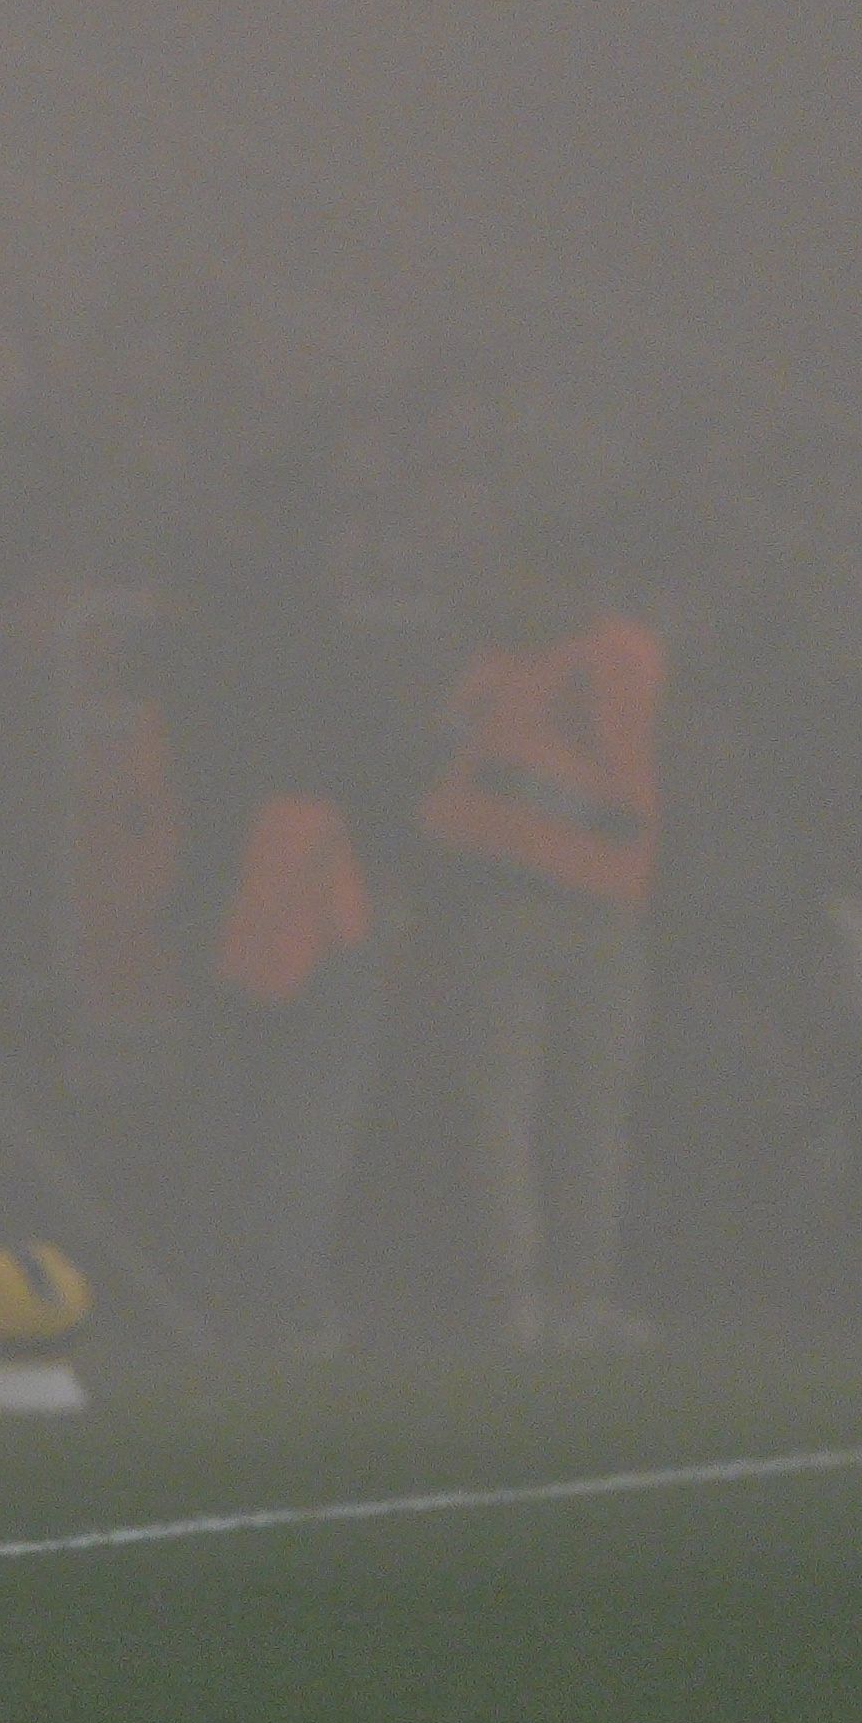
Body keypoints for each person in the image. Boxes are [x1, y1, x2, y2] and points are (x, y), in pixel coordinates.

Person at [154, 450, 423, 1353]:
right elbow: (382, 773)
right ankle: (284, 1295)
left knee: (220, 1104)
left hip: (215, 884)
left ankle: (205, 1296)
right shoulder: (339, 646)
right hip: (319, 892)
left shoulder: (199, 640)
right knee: (309, 1107)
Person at [418, 520, 671, 1351]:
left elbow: (454, 787)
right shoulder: (600, 657)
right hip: (563, 908)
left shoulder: (508, 669)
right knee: (547, 1110)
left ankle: (549, 1302)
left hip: (559, 910)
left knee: (541, 1110)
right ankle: (539, 1302)